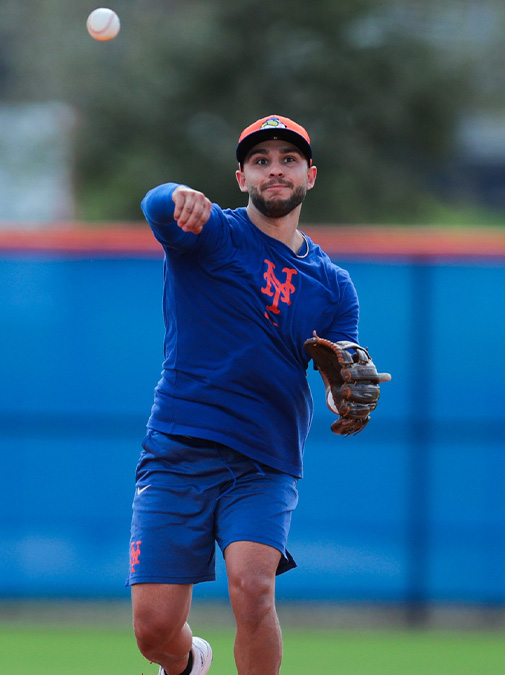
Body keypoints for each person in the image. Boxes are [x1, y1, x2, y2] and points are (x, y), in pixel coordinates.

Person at [128, 114, 391, 675]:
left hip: (264, 458)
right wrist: (175, 194)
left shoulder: (334, 284)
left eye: (288, 160)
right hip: (179, 447)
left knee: (253, 589)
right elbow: (155, 208)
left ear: (310, 176)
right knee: (154, 631)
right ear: (242, 176)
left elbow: (341, 371)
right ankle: (187, 663)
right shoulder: (212, 235)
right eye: (261, 161)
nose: (276, 170)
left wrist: (345, 385)